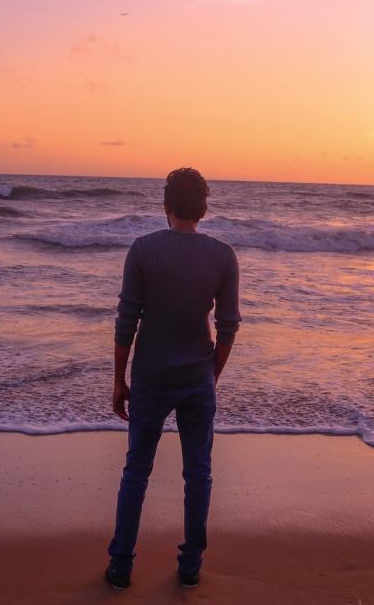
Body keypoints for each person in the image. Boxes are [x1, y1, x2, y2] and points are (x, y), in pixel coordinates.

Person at [105, 167, 241, 590]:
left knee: (136, 472)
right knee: (198, 472)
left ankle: (122, 566)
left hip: (150, 375)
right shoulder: (222, 256)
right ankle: (190, 566)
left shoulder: (143, 250)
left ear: (166, 206)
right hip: (197, 375)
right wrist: (210, 375)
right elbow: (229, 325)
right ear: (203, 207)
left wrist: (119, 379)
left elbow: (127, 320)